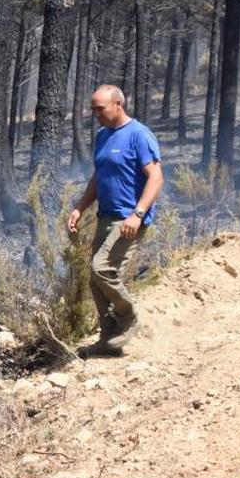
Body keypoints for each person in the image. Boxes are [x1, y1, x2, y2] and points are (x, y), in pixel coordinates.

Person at [67, 86, 163, 355]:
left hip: (130, 218)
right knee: (95, 279)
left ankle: (128, 318)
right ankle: (109, 338)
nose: (96, 113)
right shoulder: (102, 136)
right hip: (106, 216)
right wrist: (80, 207)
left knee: (102, 269)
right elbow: (99, 177)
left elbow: (156, 178)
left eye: (101, 108)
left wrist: (138, 214)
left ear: (118, 104)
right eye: (93, 108)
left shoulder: (139, 135)